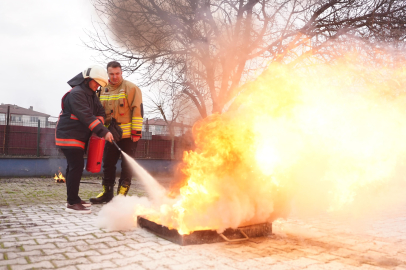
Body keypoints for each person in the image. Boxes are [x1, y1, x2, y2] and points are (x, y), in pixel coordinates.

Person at [56, 65, 114, 213]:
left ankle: (73, 198)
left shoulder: (90, 94)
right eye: (96, 83)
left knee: (73, 167)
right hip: (69, 136)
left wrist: (100, 122)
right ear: (87, 79)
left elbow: (99, 111)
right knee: (76, 166)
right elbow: (87, 116)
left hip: (77, 136)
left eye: (99, 85)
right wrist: (103, 132)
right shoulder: (77, 94)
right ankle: (72, 202)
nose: (97, 87)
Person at [90, 61, 143, 204]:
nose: (115, 77)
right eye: (112, 74)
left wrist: (136, 132)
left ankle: (121, 197)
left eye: (117, 74)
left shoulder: (131, 88)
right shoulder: (102, 90)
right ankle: (107, 194)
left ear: (121, 73)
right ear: (107, 74)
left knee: (127, 165)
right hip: (109, 135)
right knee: (107, 164)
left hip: (128, 137)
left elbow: (137, 110)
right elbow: (98, 112)